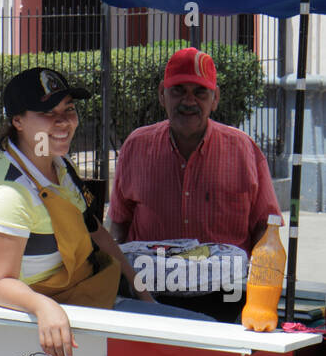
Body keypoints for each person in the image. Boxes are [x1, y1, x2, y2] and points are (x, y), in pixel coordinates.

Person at [0, 67, 210, 356]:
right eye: (48, 112)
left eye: (69, 109)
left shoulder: (59, 166)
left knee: (204, 331)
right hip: (71, 319)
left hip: (94, 298)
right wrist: (43, 307)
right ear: (18, 121)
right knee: (202, 342)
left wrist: (144, 294)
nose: (64, 122)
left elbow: (97, 232)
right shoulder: (9, 194)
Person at [108, 47, 281, 253]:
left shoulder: (245, 151)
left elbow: (267, 226)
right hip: (149, 282)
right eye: (178, 90)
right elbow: (118, 223)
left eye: (199, 92)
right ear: (162, 94)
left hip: (226, 283)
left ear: (215, 98)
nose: (189, 101)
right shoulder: (135, 147)